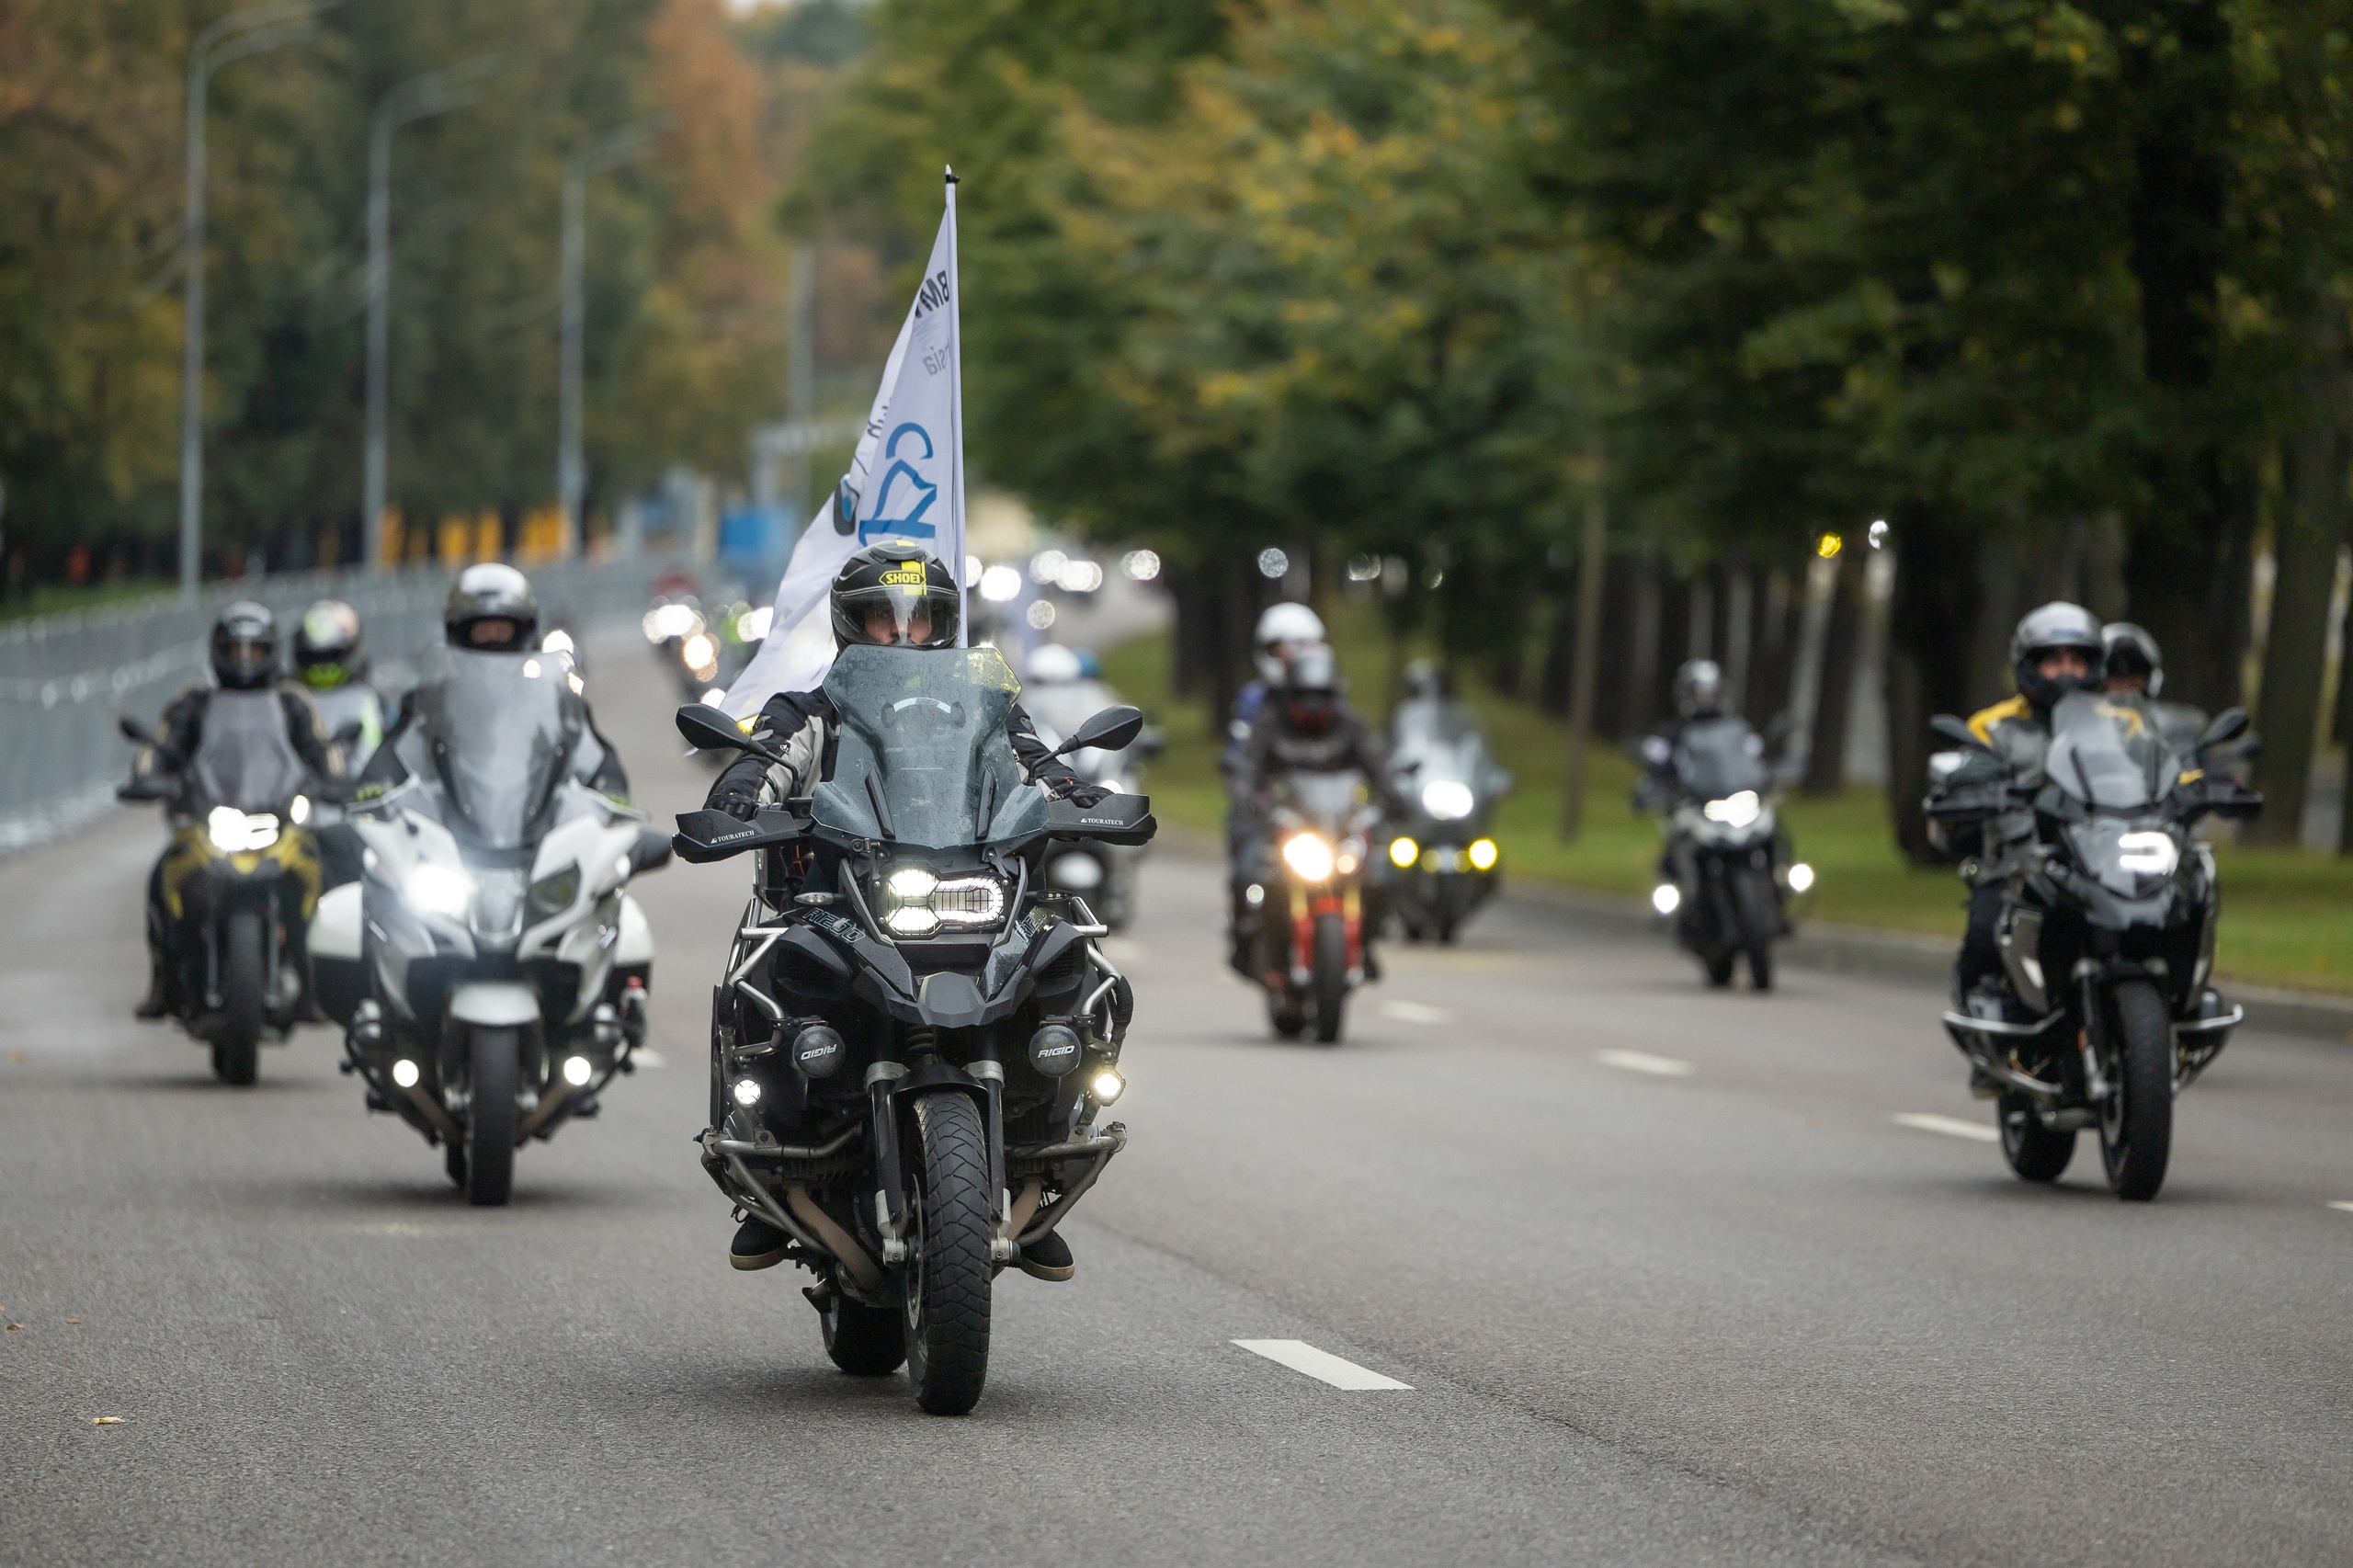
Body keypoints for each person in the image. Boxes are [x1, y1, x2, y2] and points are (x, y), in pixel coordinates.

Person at [700, 544, 1101, 1282]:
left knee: (1066, 966)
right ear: (852, 627)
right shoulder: (813, 708)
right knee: (771, 977)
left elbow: (1035, 763)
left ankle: (1037, 1163)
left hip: (971, 892)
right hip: (841, 900)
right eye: (884, 620)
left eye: (920, 621)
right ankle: (767, 1159)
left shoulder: (984, 708)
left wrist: (1076, 794)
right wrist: (737, 796)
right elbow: (766, 760)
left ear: (946, 626)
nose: (904, 635)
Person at [131, 601, 344, 1018]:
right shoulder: (194, 702)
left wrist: (334, 781)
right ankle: (162, 978)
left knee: (323, 872)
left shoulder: (290, 702)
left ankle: (314, 980)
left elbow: (321, 749)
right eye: (235, 651)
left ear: (272, 653)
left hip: (275, 819)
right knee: (162, 875)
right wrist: (150, 775)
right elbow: (161, 747)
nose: (245, 661)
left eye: (256, 651)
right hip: (211, 819)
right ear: (217, 653)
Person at [1933, 601, 2108, 1017]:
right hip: (2020, 865)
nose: (2067, 671)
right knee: (1985, 930)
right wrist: (1973, 788)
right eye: (2054, 661)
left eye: (2077, 661)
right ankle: (1982, 1017)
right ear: (2029, 666)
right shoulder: (1993, 726)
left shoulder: (2119, 723)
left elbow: (2157, 769)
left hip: (2102, 861)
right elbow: (1966, 773)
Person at [358, 562, 631, 802]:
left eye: (502, 631)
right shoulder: (431, 701)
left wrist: (608, 785)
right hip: (449, 827)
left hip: (539, 824)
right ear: (458, 635)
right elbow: (395, 751)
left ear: (525, 632)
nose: (492, 640)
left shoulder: (555, 700)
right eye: (482, 632)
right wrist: (379, 780)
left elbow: (593, 753)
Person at [1229, 642, 1392, 973]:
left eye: (1322, 696)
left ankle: (1367, 942)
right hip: (1287, 831)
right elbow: (1247, 769)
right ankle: (1246, 946)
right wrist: (1246, 795)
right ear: (1290, 694)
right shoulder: (1270, 726)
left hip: (1339, 831)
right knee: (1247, 874)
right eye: (1305, 695)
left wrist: (1394, 796)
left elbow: (1380, 768)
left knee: (1383, 876)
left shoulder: (1352, 727)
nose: (1313, 705)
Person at [2102, 621, 2209, 759]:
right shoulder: (2084, 728)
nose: (2126, 684)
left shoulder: (2177, 729)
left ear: (2151, 679)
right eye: (2116, 675)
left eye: (2135, 674)